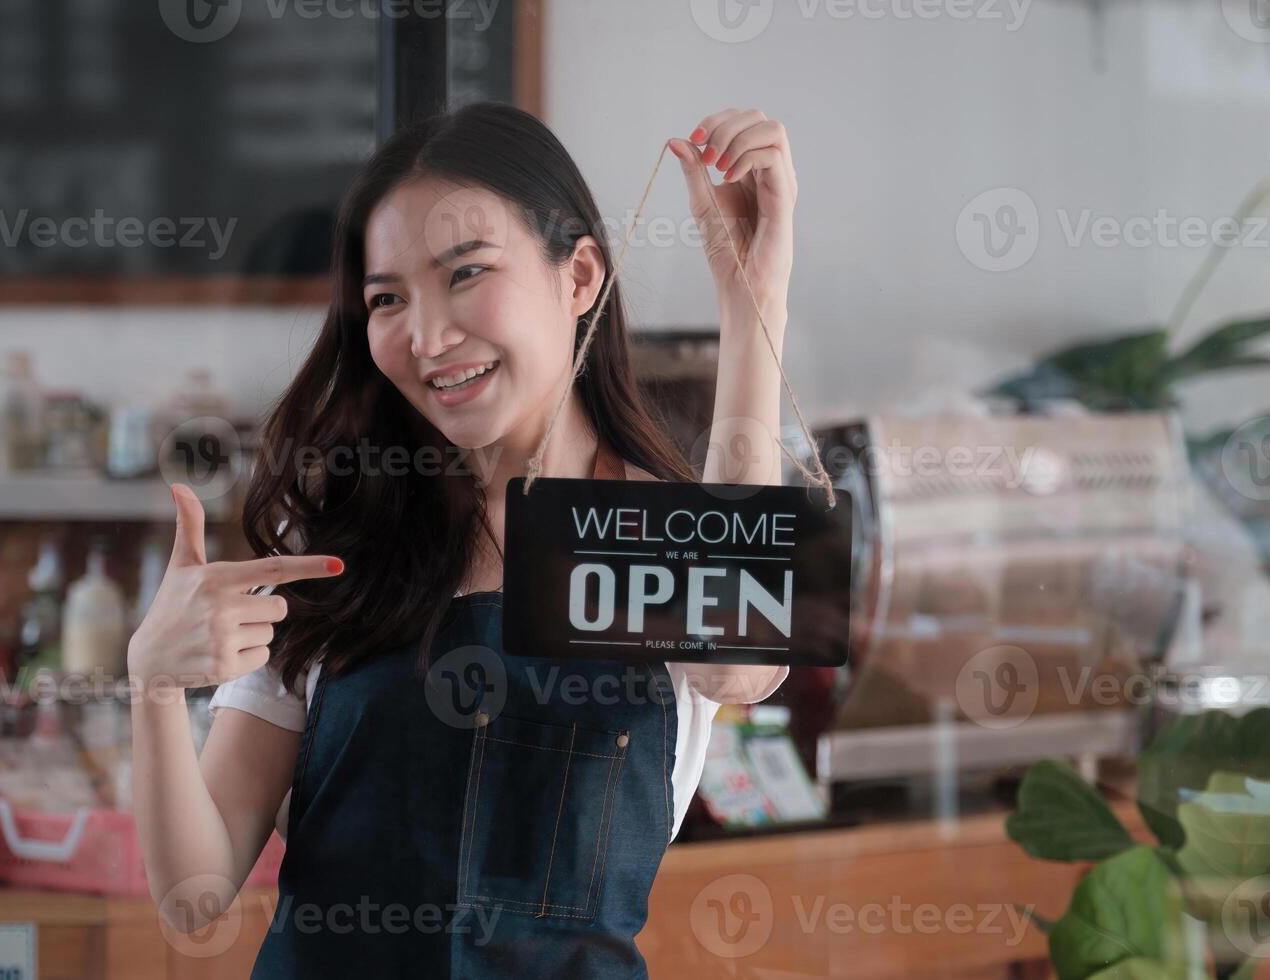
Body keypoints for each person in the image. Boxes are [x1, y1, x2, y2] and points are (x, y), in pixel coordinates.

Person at [129, 101, 800, 978]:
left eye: (467, 273)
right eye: (386, 299)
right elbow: (194, 894)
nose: (427, 336)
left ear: (580, 276)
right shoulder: (338, 535)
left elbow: (741, 662)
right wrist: (151, 682)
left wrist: (754, 298)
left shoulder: (662, 534)